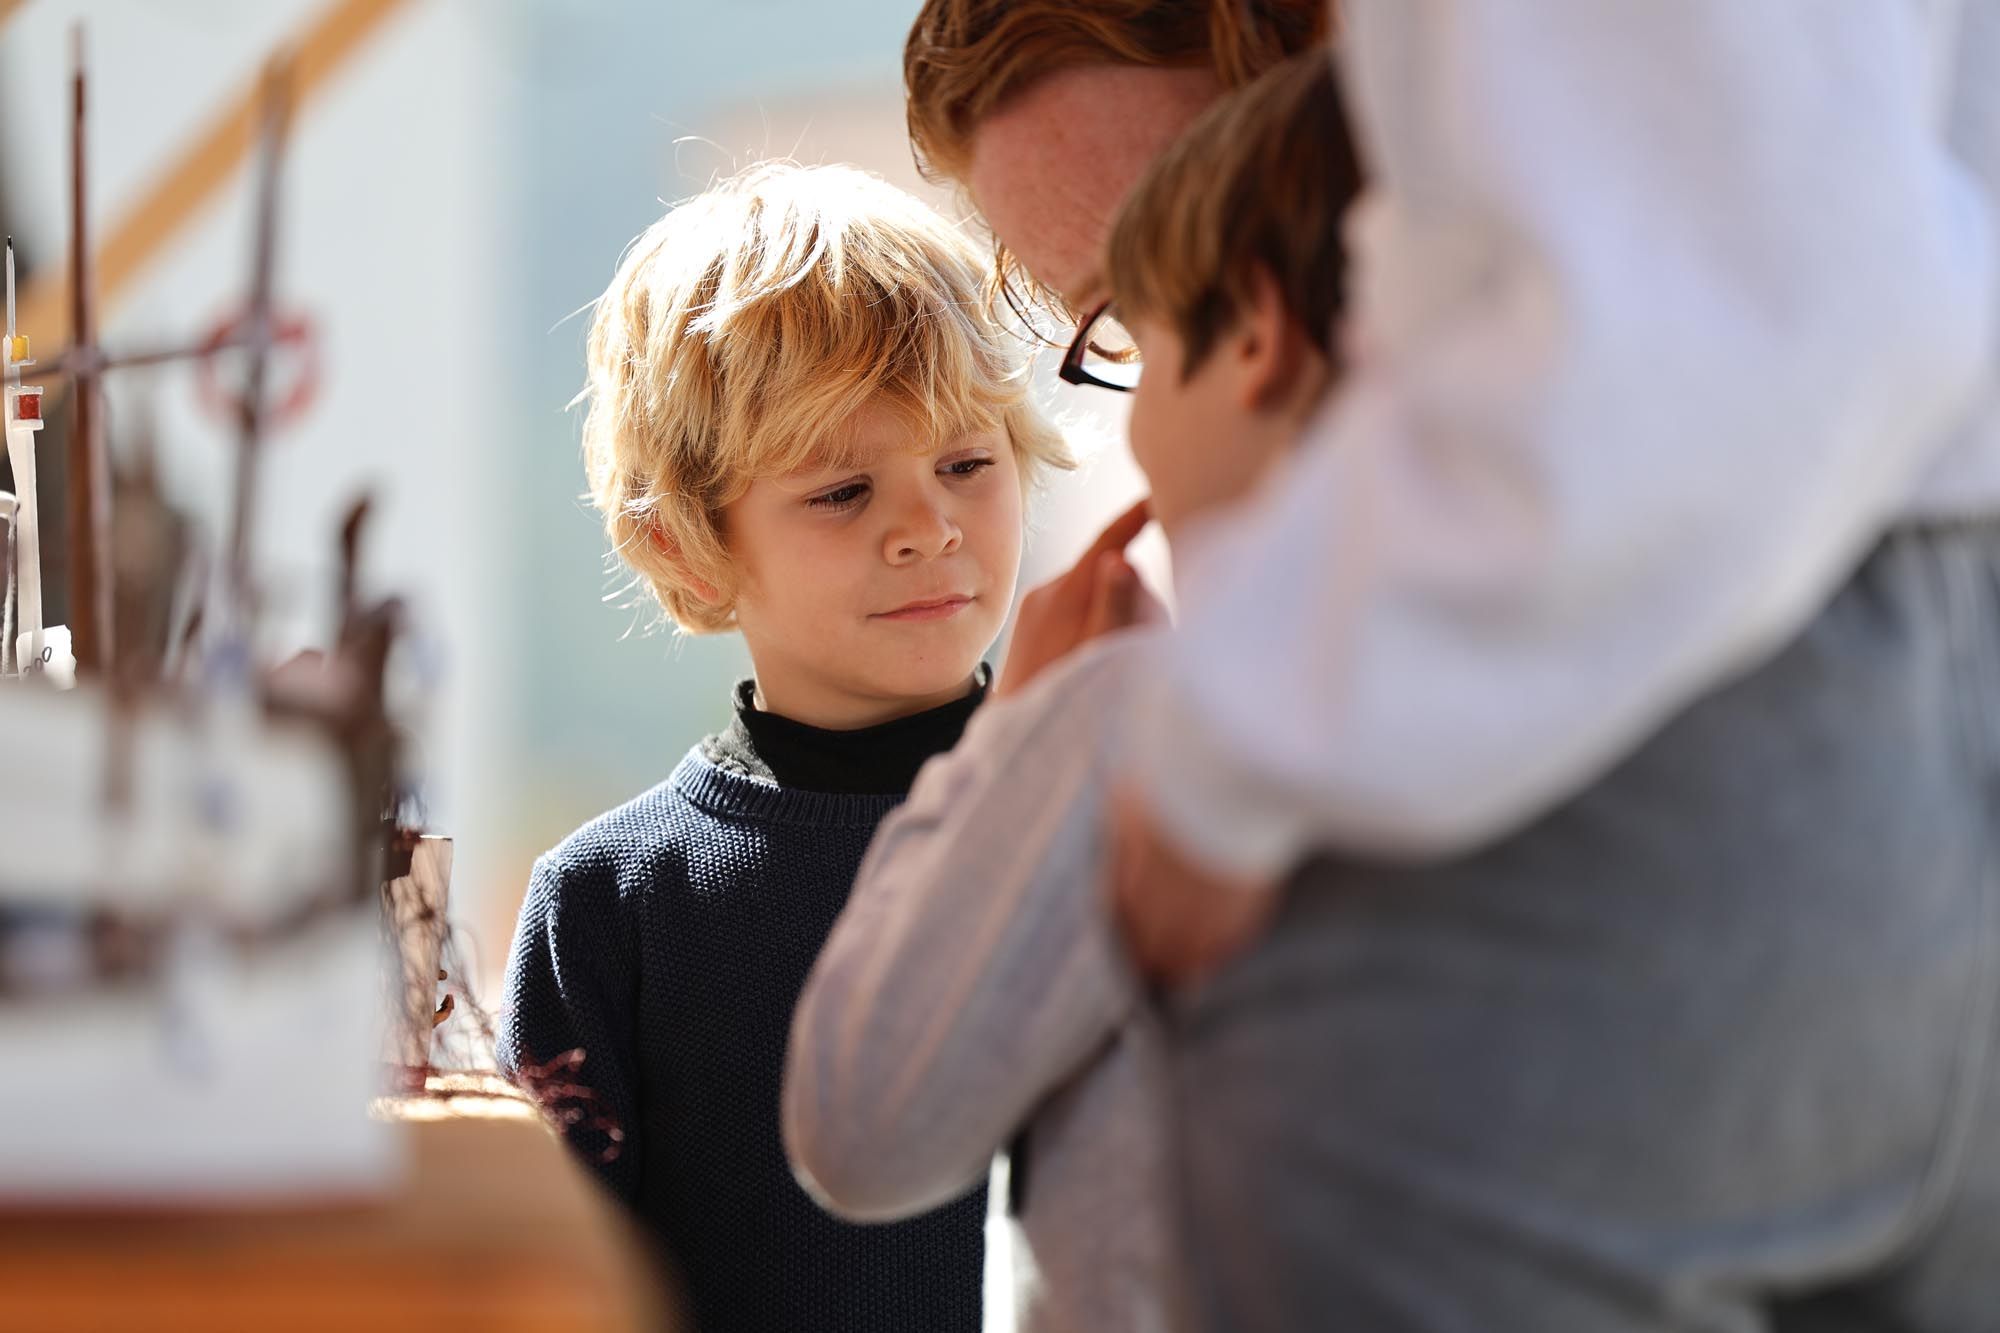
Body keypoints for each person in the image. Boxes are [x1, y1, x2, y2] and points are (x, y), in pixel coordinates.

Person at [913, 1, 2000, 1328]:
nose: (1176, 400)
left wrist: (1236, 740)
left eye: (1187, 263)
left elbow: (1722, 286)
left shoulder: (1326, 673)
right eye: (1113, 326)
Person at [783, 52, 1361, 1333]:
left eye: (1127, 332)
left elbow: (858, 1113)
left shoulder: (1133, 721)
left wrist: (1025, 736)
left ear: (1253, 335)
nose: (1134, 423)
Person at [496, 160, 1073, 1333]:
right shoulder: (610, 903)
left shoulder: (1110, 824)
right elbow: (554, 1286)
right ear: (688, 545)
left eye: (966, 463)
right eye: (842, 490)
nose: (926, 528)